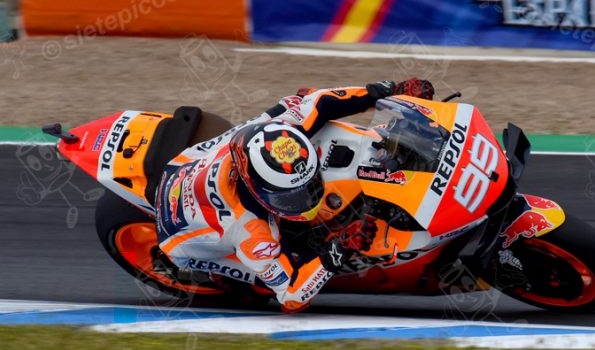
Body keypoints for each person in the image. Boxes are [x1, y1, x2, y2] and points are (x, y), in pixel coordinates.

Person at [155, 79, 435, 312]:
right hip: (182, 237)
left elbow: (323, 102)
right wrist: (339, 248)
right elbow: (292, 297)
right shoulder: (251, 232)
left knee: (301, 99)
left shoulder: (281, 131)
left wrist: (389, 90)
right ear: (259, 190)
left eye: (310, 182)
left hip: (186, 163)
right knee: (255, 287)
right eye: (292, 195)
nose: (308, 198)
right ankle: (226, 280)